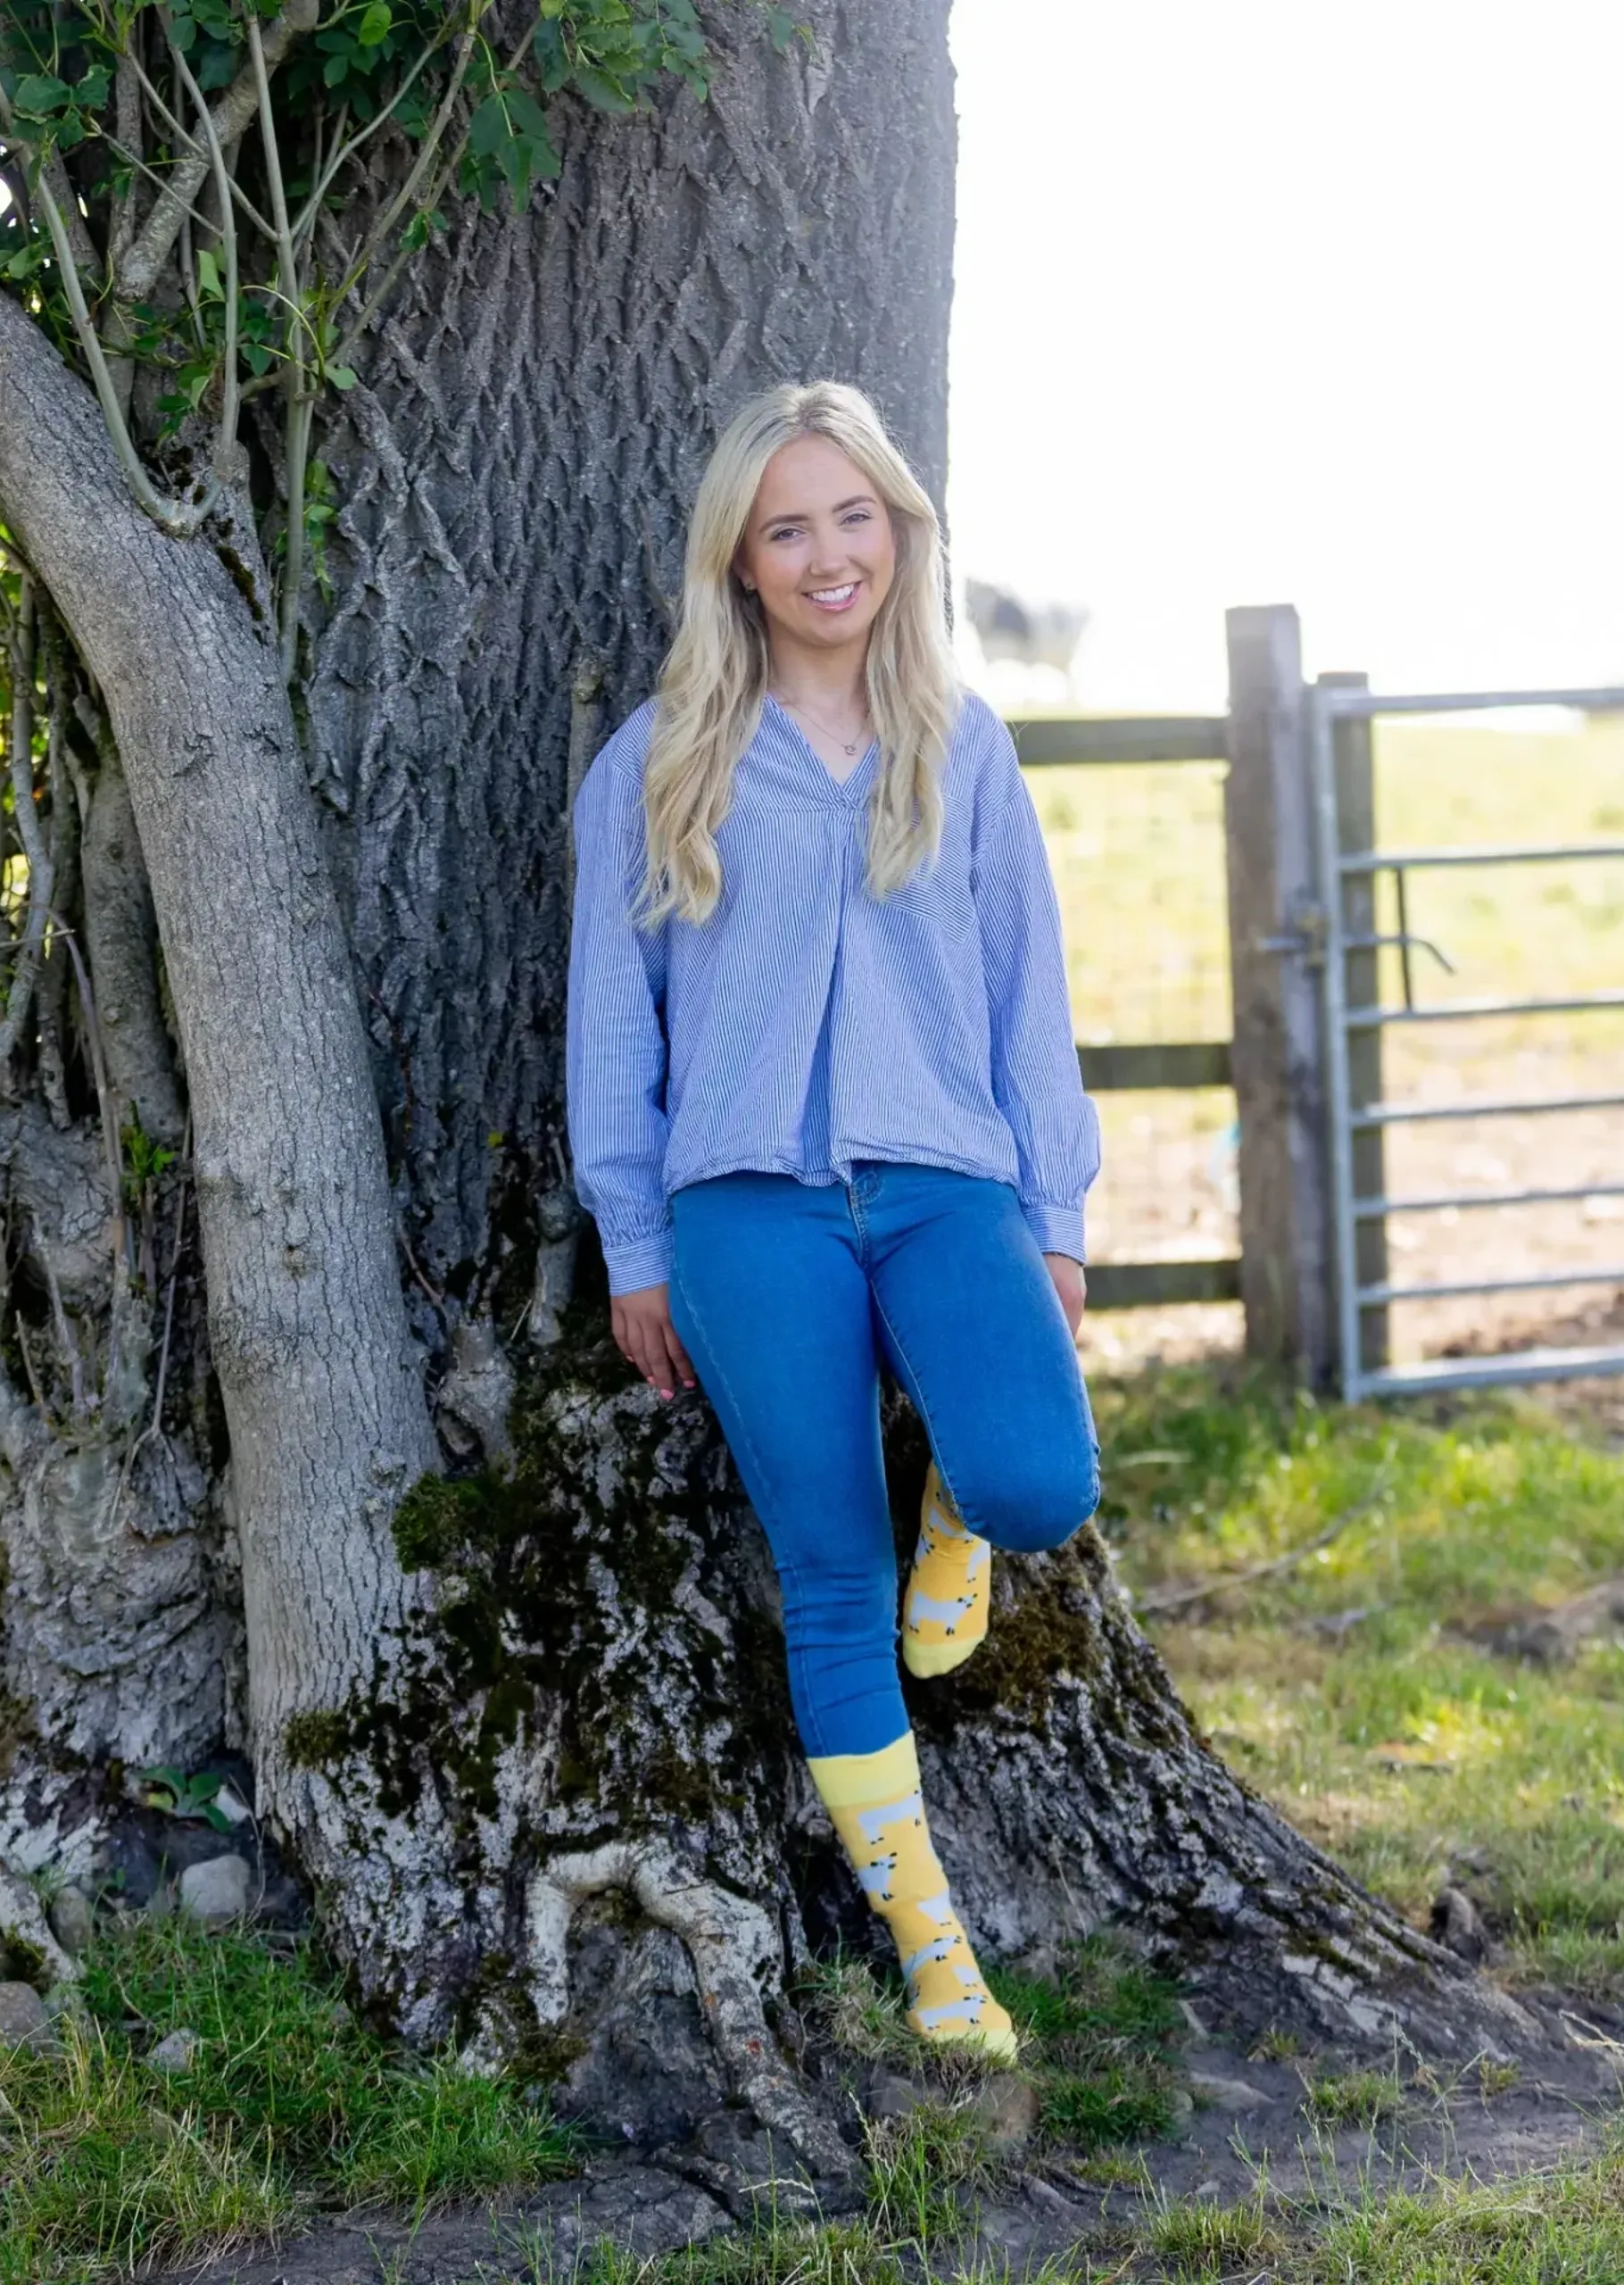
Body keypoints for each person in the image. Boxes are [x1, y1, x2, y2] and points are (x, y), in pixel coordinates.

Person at [566, 381, 1100, 2062]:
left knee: (1038, 1481)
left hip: (946, 1184)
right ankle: (935, 1948)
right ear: (739, 560)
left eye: (852, 518)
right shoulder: (660, 761)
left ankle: (957, 1497)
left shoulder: (964, 744)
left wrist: (1056, 1215)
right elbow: (613, 1022)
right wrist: (636, 1244)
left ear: (900, 533)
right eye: (786, 529)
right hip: (746, 1213)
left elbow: (1027, 1001)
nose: (825, 557)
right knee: (829, 1576)